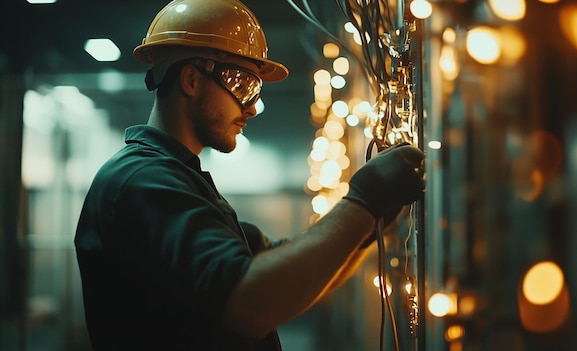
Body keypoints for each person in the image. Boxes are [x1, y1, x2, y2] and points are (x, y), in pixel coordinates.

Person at [73, 0, 425, 350]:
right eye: (243, 85)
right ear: (191, 79)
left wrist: (368, 223)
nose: (253, 107)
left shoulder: (178, 179)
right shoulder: (142, 181)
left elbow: (284, 274)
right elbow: (250, 303)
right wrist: (364, 200)